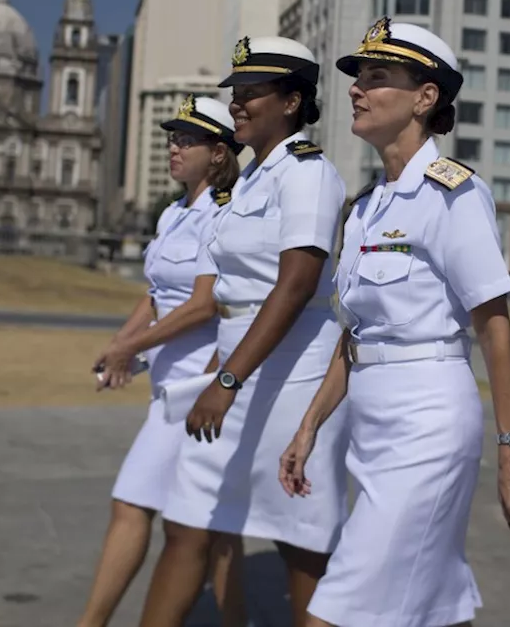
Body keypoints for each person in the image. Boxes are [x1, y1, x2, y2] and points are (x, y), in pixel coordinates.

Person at [279, 18, 510, 627]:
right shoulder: (369, 207)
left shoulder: (453, 194)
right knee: (425, 601)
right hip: (372, 427)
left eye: (377, 77)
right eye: (357, 78)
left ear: (426, 98)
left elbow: (494, 327)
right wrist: (309, 426)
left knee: (340, 609)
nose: (356, 89)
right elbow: (355, 337)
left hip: (427, 424)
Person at [137, 36, 351, 627]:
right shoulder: (249, 182)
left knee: (301, 546)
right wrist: (222, 367)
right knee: (187, 522)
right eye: (235, 91)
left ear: (291, 101)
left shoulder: (308, 174)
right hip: (238, 367)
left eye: (252, 92)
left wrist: (228, 379)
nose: (237, 102)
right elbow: (230, 295)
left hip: (291, 376)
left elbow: (296, 285)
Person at [80, 95, 247, 627]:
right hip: (169, 388)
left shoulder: (224, 215)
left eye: (187, 139)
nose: (173, 146)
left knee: (138, 506)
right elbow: (156, 294)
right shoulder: (173, 213)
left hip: (201, 391)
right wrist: (121, 344)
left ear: (219, 153)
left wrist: (132, 347)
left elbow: (204, 305)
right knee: (214, 531)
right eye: (171, 137)